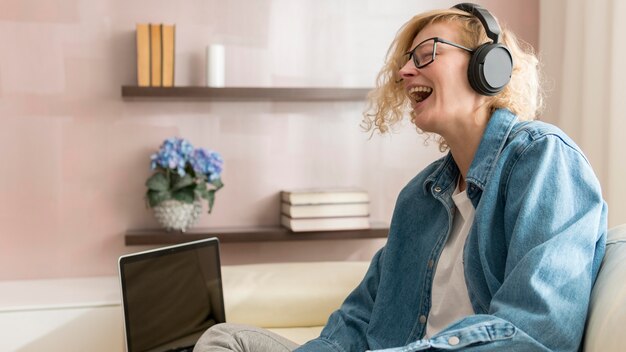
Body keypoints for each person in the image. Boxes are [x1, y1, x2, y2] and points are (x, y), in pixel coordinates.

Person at [193, 3, 607, 352]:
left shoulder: (543, 159)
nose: (405, 71)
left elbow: (537, 329)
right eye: (405, 61)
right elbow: (359, 318)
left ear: (488, 66)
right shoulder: (420, 196)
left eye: (426, 54)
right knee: (226, 339)